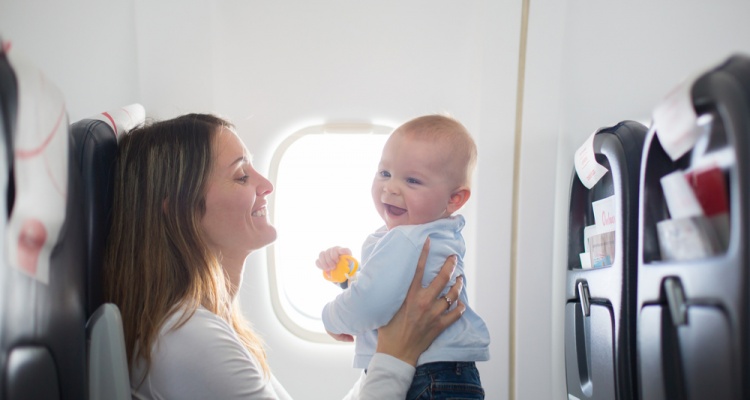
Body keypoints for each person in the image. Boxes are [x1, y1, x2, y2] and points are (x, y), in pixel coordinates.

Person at [102, 113, 466, 400]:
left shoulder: (213, 323)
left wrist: (391, 344)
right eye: (242, 176)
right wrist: (396, 355)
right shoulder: (188, 338)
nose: (266, 184)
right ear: (179, 210)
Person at [316, 114, 490, 399]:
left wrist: (331, 319)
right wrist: (350, 279)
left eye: (412, 180)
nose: (390, 187)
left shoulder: (407, 238)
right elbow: (396, 293)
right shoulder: (431, 233)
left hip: (428, 376)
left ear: (453, 199)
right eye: (384, 173)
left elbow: (371, 304)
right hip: (447, 374)